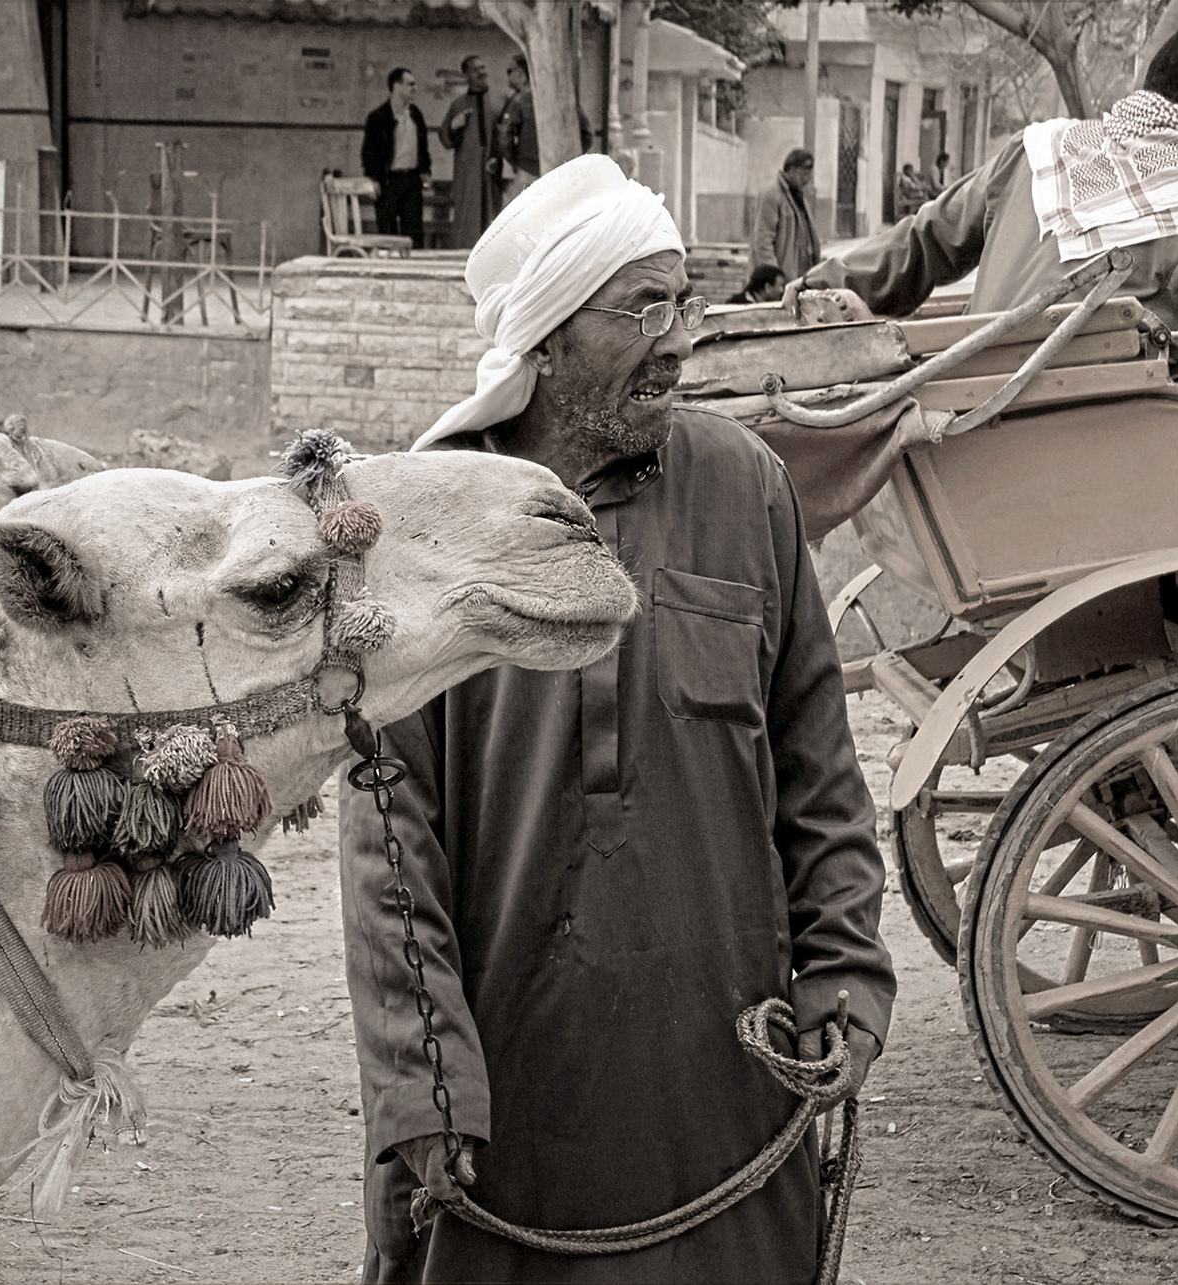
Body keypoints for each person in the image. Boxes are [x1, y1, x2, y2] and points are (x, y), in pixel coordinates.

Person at [339, 154, 897, 1284]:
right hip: (504, 1090)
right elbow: (385, 836)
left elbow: (818, 764)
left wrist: (843, 971)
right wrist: (426, 1081)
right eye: (643, 306)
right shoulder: (420, 513)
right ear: (544, 340)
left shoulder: (748, 489)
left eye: (684, 301)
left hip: (728, 1074)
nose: (681, 336)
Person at [795, 12, 1178, 612]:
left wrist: (830, 282)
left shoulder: (1040, 153)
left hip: (971, 438)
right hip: (1106, 441)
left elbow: (927, 240)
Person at [490, 54, 593, 208]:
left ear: (521, 73)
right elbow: (587, 134)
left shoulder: (521, 101)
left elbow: (505, 137)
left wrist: (516, 161)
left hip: (528, 171)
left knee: (516, 219)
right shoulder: (565, 97)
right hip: (562, 173)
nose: (508, 75)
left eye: (510, 70)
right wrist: (570, 159)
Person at [735, 148, 822, 303]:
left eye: (809, 173)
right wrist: (775, 280)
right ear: (792, 170)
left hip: (795, 281)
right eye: (804, 173)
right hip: (775, 285)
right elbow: (763, 240)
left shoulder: (799, 196)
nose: (807, 179)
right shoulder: (772, 194)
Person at [363, 67, 432, 243]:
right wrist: (373, 178)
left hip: (411, 178)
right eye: (410, 84)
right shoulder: (378, 117)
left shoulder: (415, 114)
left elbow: (423, 146)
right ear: (397, 86)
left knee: (414, 229)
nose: (414, 88)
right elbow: (369, 151)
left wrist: (425, 170)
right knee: (388, 230)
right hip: (388, 180)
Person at [441, 54, 500, 249]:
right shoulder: (458, 104)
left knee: (493, 214)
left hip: (491, 172)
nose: (482, 73)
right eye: (476, 69)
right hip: (467, 170)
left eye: (483, 68)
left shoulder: (497, 102)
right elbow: (445, 139)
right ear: (466, 74)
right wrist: (454, 126)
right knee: (468, 214)